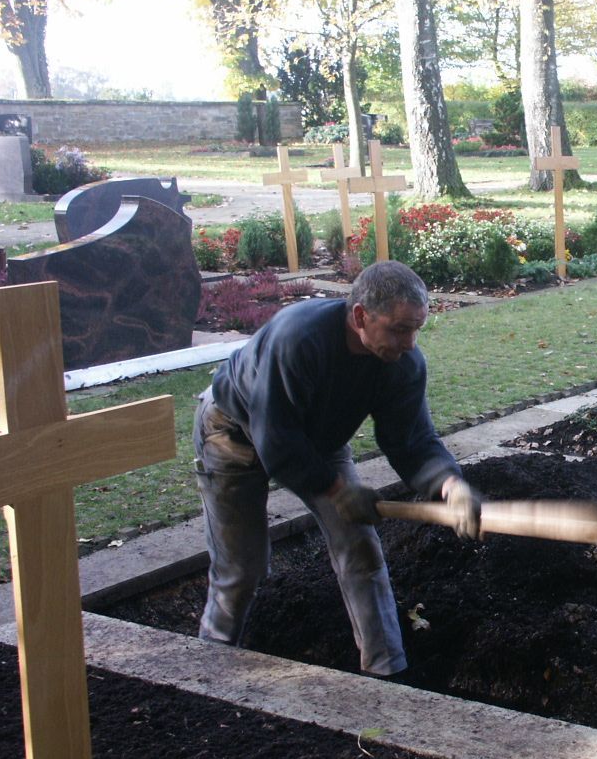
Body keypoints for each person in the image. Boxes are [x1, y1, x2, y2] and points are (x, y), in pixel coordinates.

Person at [192, 260, 479, 676]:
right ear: (361, 316)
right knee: (243, 566)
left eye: (417, 328)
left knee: (360, 547)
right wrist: (338, 490)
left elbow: (413, 441)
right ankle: (211, 667)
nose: (410, 342)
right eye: (400, 329)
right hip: (233, 429)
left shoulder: (402, 362)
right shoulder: (298, 339)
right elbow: (278, 442)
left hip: (318, 439)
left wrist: (451, 485)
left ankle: (389, 674)